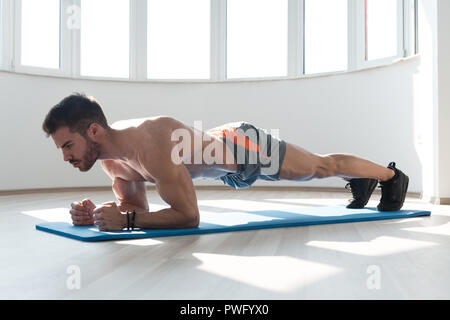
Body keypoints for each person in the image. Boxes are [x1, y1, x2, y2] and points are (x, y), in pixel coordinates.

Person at [42, 93, 409, 231]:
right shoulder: (113, 162)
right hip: (224, 165)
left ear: (93, 132)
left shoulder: (152, 141)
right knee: (318, 168)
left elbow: (188, 217)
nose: (66, 157)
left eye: (68, 145)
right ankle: (365, 183)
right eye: (61, 149)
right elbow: (134, 208)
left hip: (245, 147)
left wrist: (127, 221)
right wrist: (100, 214)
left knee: (320, 167)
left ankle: (391, 175)